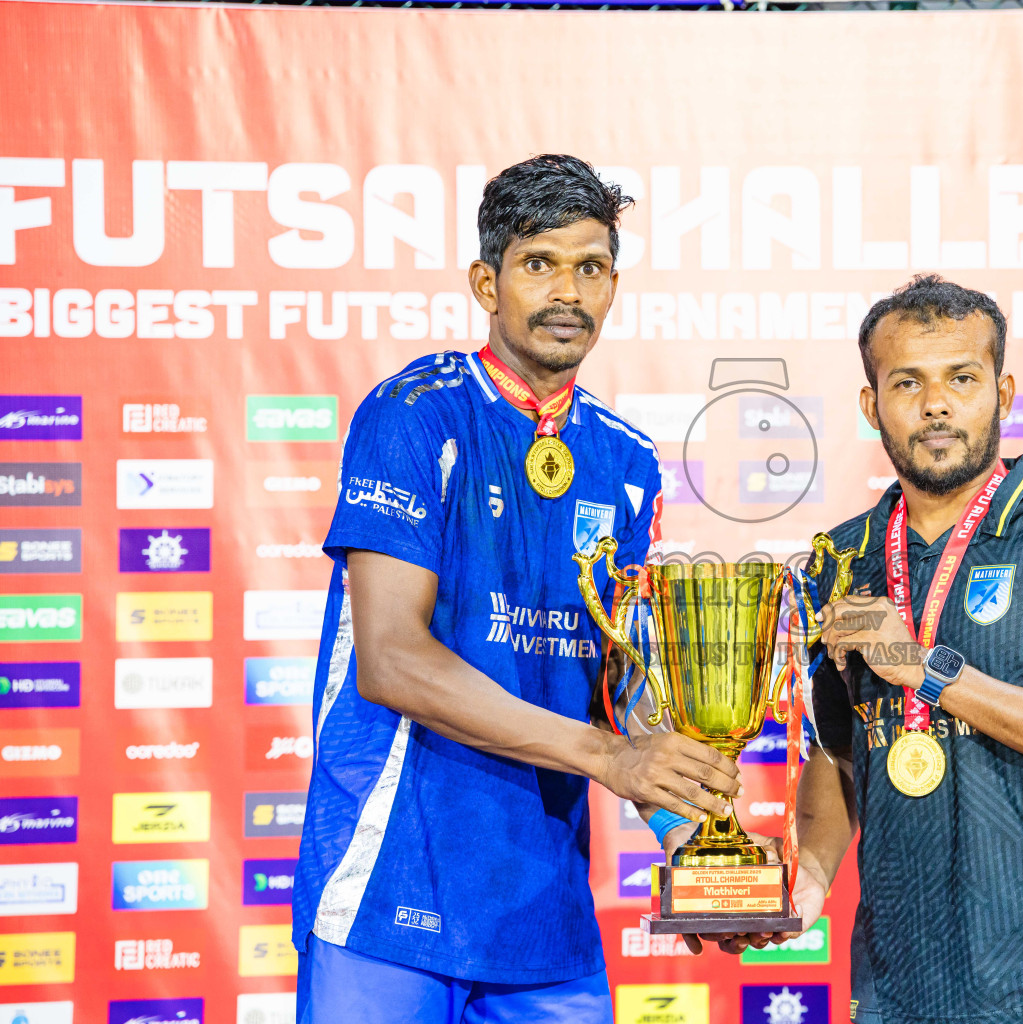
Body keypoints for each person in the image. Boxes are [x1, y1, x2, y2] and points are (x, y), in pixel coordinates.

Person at [291, 154, 739, 1024]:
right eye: (539, 263)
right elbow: (391, 658)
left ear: (613, 287)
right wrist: (609, 759)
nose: (568, 292)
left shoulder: (627, 458)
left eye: (591, 268)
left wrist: (688, 830)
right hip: (387, 892)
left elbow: (619, 680)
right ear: (486, 284)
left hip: (541, 912)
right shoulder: (414, 414)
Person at [732, 275, 1023, 1024]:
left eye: (961, 379)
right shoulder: (841, 558)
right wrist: (810, 878)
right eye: (907, 382)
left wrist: (926, 670)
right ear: (872, 406)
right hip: (894, 987)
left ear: (1003, 394)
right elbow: (840, 755)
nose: (936, 404)